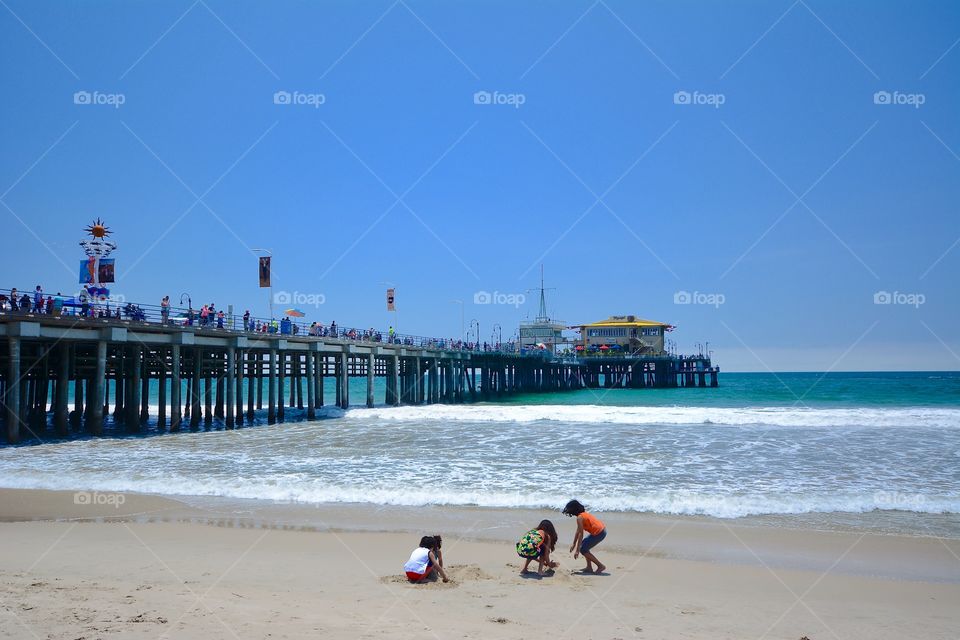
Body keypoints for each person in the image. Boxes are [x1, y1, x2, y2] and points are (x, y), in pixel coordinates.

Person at [563, 500, 607, 574]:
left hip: (599, 533)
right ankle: (589, 567)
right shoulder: (583, 515)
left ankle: (600, 566)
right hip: (601, 530)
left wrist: (577, 550)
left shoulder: (580, 518)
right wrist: (574, 543)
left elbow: (581, 534)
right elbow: (578, 531)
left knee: (583, 550)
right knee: (584, 546)